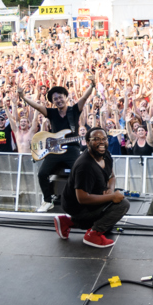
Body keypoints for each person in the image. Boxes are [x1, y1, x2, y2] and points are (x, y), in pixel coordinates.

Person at [19, 76, 95, 212]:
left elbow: (83, 98)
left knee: (80, 172)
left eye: (60, 97)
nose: (58, 100)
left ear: (65, 97)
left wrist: (92, 86)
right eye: (55, 99)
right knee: (42, 173)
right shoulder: (52, 113)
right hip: (54, 150)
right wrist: (23, 97)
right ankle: (48, 200)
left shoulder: (74, 110)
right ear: (53, 102)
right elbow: (36, 106)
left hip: (71, 149)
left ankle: (83, 199)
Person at [53, 128, 130, 248]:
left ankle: (67, 222)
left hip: (93, 195)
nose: (101, 142)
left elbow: (111, 176)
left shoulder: (105, 154)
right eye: (96, 139)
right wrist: (112, 197)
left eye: (104, 138)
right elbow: (82, 198)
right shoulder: (85, 166)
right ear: (88, 143)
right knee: (122, 204)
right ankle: (93, 235)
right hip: (77, 206)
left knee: (108, 225)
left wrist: (110, 190)